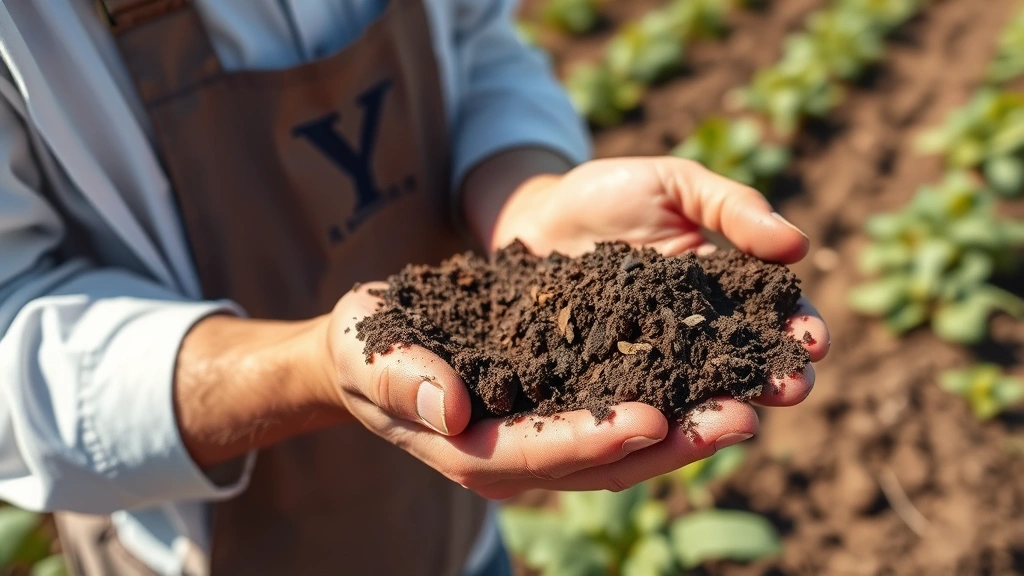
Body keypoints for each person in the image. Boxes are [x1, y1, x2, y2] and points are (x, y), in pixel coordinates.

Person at [0, 1, 829, 575]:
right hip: (194, 546)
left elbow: (478, 43)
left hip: (456, 530)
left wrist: (525, 198)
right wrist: (314, 366)